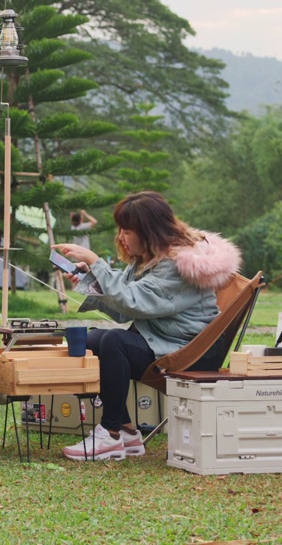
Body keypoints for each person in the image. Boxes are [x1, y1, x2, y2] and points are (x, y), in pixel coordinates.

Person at [52, 191, 241, 462]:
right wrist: (93, 279)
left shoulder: (177, 266)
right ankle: (127, 431)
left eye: (126, 231)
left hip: (190, 351)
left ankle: (111, 432)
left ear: (148, 231)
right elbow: (126, 305)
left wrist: (97, 262)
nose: (120, 238)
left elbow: (133, 301)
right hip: (163, 340)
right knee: (94, 340)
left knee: (114, 341)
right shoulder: (149, 259)